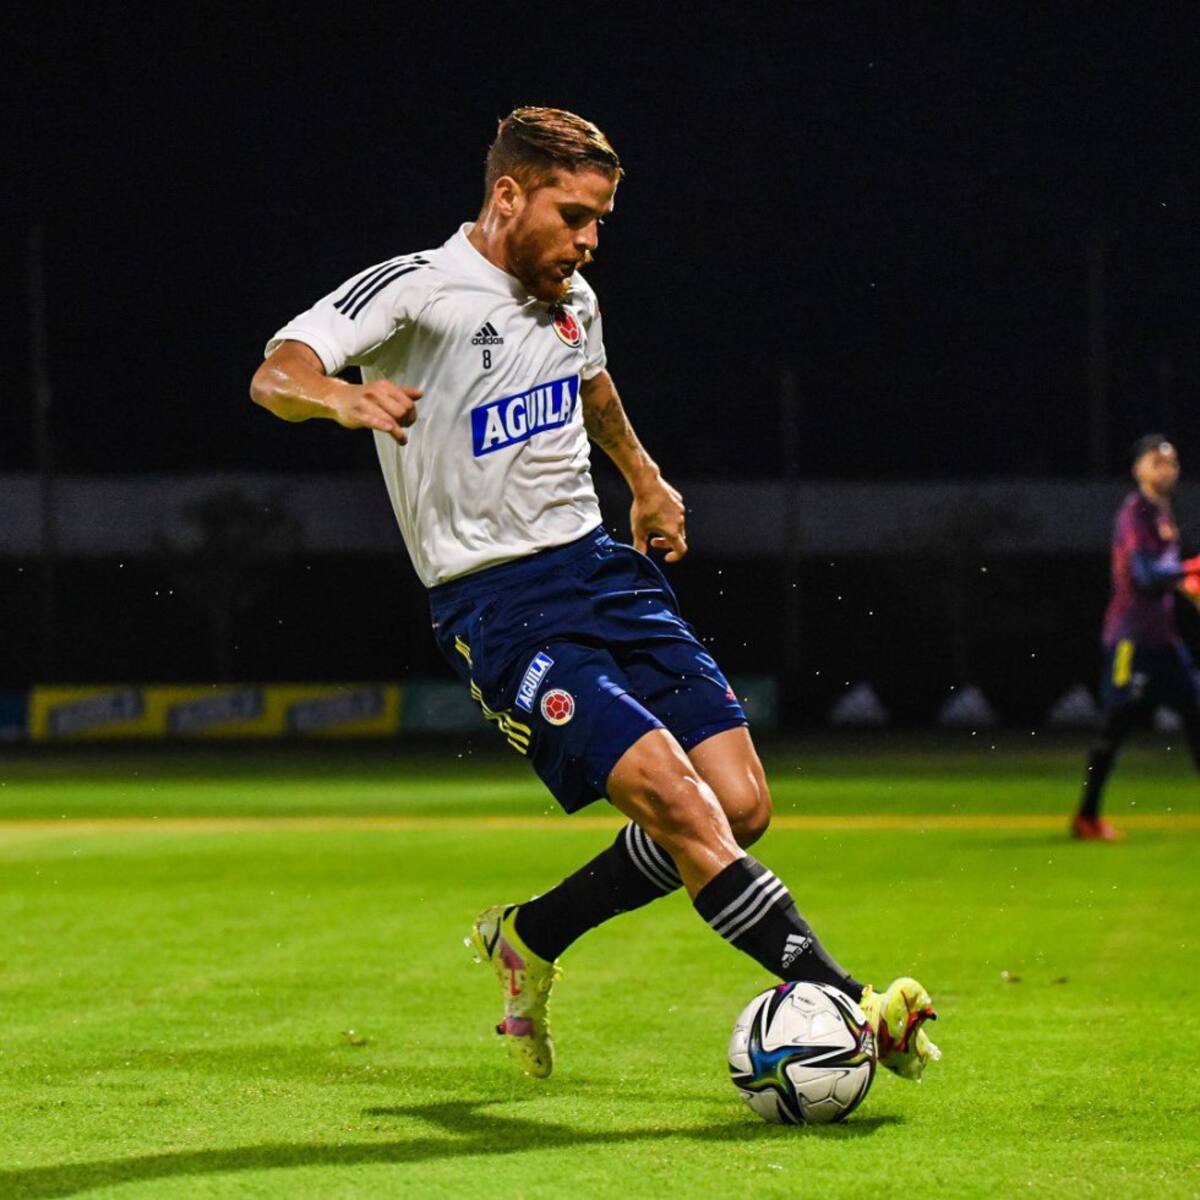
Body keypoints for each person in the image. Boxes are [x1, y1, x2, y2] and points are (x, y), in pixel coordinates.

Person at [250, 106, 938, 1082]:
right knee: (674, 798)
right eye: (575, 214)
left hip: (603, 573)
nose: (589, 239)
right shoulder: (419, 290)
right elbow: (277, 373)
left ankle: (529, 935)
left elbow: (594, 384)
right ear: (506, 194)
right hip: (500, 605)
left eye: (602, 220)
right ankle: (847, 1001)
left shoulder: (573, 294)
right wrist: (342, 397)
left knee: (738, 806)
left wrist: (646, 478)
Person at [1074, 435, 1200, 840]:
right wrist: (1190, 570)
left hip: (1163, 641)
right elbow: (1145, 577)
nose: (1167, 469)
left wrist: (1187, 582)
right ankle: (1086, 817)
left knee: (1197, 717)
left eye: (1172, 462)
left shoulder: (1164, 515)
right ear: (1138, 470)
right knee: (1114, 728)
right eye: (1157, 462)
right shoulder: (1135, 513)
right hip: (1130, 642)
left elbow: (1167, 577)